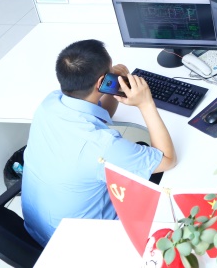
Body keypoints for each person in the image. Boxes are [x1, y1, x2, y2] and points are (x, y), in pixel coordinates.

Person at [22, 39, 177, 245]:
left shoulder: (50, 103)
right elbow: (168, 159)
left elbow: (99, 116)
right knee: (169, 179)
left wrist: (112, 88)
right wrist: (145, 103)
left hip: (40, 230)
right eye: (111, 70)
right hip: (86, 244)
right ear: (101, 82)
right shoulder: (103, 146)